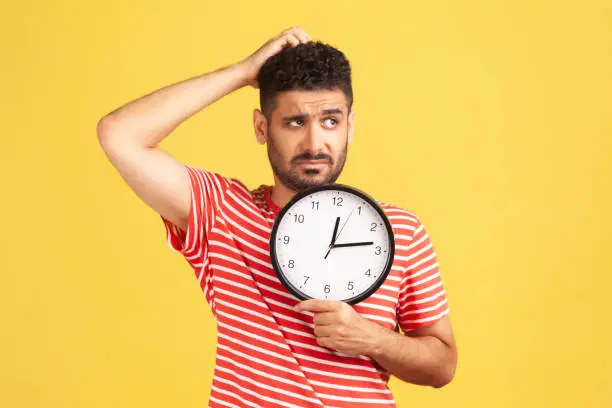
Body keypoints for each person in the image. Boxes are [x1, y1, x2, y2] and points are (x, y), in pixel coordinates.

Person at [98, 27, 457, 408]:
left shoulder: (398, 229)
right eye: (295, 123)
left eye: (331, 121)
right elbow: (119, 134)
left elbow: (442, 366)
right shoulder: (221, 212)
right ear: (261, 127)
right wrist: (241, 73)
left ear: (349, 127)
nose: (315, 144)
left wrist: (372, 338)